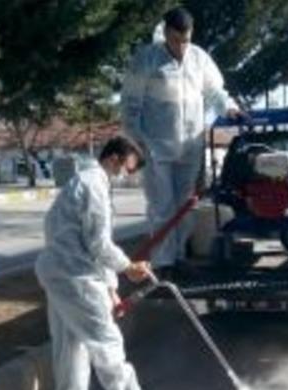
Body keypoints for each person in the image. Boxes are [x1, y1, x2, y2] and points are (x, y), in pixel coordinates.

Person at [35, 135, 155, 390]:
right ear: (114, 158)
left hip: (59, 273)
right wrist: (129, 267)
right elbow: (99, 244)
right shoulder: (94, 185)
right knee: (107, 343)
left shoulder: (81, 182)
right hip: (76, 278)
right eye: (129, 167)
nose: (130, 174)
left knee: (71, 345)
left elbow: (80, 239)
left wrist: (112, 289)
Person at [121, 6, 244, 279]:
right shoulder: (147, 59)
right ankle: (164, 265)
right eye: (176, 40)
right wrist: (139, 143)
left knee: (184, 208)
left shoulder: (199, 58)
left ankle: (178, 258)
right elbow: (130, 106)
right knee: (162, 208)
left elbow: (215, 92)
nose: (181, 46)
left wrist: (230, 108)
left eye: (186, 40)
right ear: (165, 33)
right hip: (156, 148)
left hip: (190, 146)